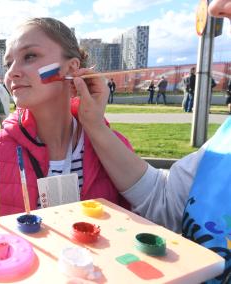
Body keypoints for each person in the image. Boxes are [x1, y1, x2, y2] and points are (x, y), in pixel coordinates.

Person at [71, 0, 231, 281]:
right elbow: (165, 200)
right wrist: (94, 125)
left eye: (32, 56)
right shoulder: (224, 141)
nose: (216, 8)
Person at [0, 17, 132, 225]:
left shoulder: (115, 148)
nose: (11, 73)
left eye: (29, 56)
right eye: (8, 63)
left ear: (71, 68)